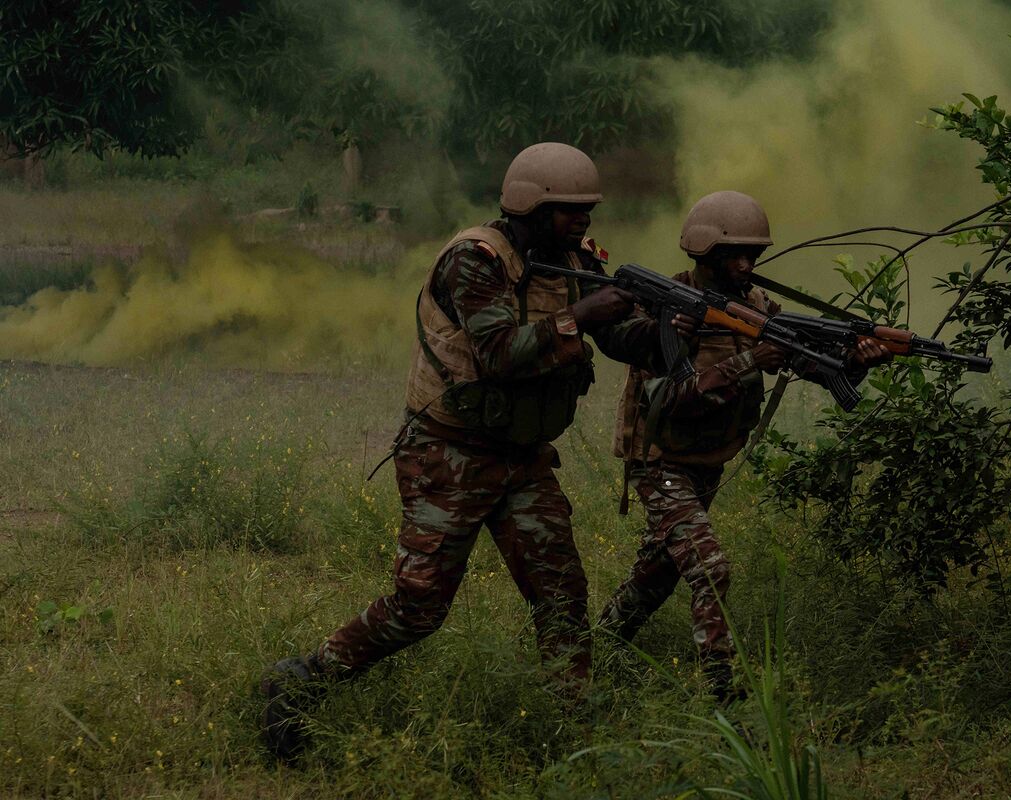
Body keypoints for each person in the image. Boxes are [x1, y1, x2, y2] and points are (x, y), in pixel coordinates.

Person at [262, 142, 674, 760]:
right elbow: (499, 353)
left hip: (523, 458)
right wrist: (581, 316)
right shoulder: (475, 261)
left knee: (561, 593)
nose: (583, 220)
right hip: (448, 454)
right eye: (569, 210)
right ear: (531, 206)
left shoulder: (573, 260)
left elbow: (619, 338)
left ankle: (577, 738)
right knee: (419, 607)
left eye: (587, 208)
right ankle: (302, 682)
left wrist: (672, 328)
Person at [600, 190, 892, 700]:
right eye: (733, 255)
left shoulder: (760, 308)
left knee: (659, 573)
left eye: (751, 255)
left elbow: (813, 365)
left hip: (707, 462)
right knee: (709, 568)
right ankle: (723, 693)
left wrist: (855, 361)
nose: (745, 266)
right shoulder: (666, 309)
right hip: (659, 462)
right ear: (704, 253)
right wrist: (749, 361)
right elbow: (667, 399)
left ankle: (597, 647)